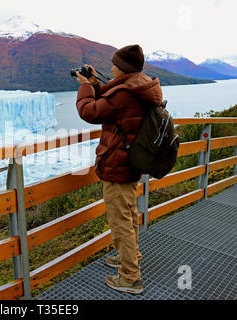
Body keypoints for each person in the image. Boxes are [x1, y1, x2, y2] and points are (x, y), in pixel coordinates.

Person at [75, 44, 163, 294]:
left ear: (123, 68)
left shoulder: (125, 92)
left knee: (120, 220)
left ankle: (130, 277)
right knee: (129, 213)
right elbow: (115, 105)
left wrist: (85, 87)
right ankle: (130, 256)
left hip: (117, 162)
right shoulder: (138, 85)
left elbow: (90, 112)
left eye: (114, 64)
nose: (111, 67)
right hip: (131, 160)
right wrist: (95, 85)